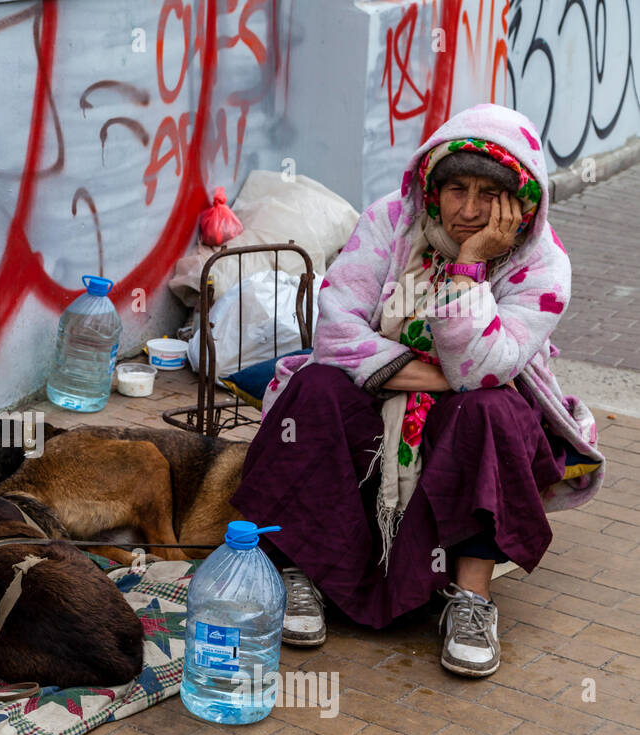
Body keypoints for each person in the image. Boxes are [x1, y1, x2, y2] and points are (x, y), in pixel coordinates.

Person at [230, 104, 604, 678]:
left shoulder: (543, 267)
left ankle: (472, 598)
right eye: (457, 189)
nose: (470, 211)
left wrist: (469, 270)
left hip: (462, 414)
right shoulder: (391, 221)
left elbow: (485, 371)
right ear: (431, 185)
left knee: (493, 411)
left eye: (490, 196)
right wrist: (434, 372)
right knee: (317, 389)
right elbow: (334, 331)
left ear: (521, 203)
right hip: (381, 399)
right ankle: (303, 567)